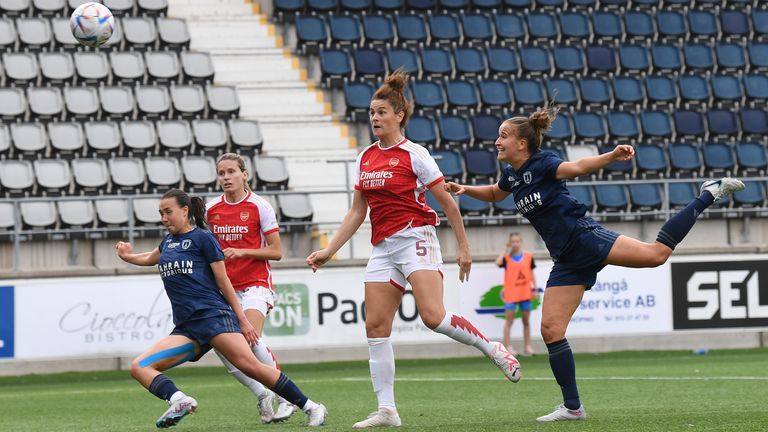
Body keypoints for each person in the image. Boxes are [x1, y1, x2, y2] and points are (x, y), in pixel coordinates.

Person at [444, 105, 745, 422]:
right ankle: (573, 408)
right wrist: (466, 190)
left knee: (656, 255)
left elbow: (577, 168)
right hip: (566, 258)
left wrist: (611, 156)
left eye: (503, 136)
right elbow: (494, 193)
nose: (497, 141)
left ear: (522, 143)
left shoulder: (543, 163)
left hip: (584, 237)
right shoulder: (512, 174)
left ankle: (709, 193)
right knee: (551, 329)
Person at [306, 69, 521, 429]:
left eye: (381, 113)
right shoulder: (365, 158)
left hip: (416, 238)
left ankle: (492, 347)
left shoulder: (415, 155)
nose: (375, 118)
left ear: (399, 115)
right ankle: (387, 410)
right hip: (383, 247)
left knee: (433, 317)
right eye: (372, 113)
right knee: (375, 326)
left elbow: (448, 204)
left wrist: (463, 247)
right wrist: (330, 250)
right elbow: (358, 210)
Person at [116, 189, 326, 428]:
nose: (164, 218)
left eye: (168, 212)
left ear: (184, 211)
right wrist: (127, 256)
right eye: (161, 213)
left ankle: (311, 406)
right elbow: (148, 258)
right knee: (139, 367)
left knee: (251, 366)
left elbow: (224, 282)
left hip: (213, 317)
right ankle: (179, 400)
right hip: (187, 327)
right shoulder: (167, 243)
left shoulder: (203, 238)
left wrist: (243, 320)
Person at [205, 153, 296, 423]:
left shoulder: (260, 206)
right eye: (221, 173)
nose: (226, 177)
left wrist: (242, 252)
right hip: (225, 290)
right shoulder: (211, 209)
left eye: (231, 171)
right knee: (224, 346)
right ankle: (262, 394)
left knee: (249, 339)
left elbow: (277, 251)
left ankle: (286, 397)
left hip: (256, 284)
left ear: (245, 174)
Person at [495, 232, 538, 357]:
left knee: (526, 321)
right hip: (511, 294)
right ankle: (508, 347)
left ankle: (527, 347)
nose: (515, 244)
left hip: (525, 293)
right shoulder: (506, 259)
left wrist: (534, 289)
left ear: (521, 242)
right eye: (513, 241)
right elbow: (497, 263)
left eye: (517, 241)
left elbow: (531, 273)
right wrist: (504, 250)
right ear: (510, 243)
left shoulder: (529, 257)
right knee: (509, 321)